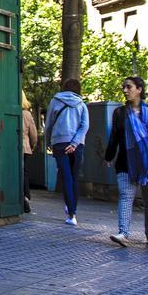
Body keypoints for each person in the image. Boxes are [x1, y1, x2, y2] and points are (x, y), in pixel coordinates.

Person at [104, 76, 148, 247]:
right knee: (126, 196)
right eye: (124, 87)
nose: (125, 90)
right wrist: (108, 156)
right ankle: (123, 233)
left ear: (139, 89)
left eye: (128, 87)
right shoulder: (120, 112)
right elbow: (115, 136)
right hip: (125, 161)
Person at [44, 78, 89, 226]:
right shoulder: (82, 104)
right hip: (77, 146)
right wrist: (75, 143)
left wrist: (48, 142)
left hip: (60, 143)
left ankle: (71, 213)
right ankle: (72, 210)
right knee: (74, 177)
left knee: (66, 177)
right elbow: (85, 126)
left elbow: (49, 124)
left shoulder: (55, 101)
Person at [22, 92, 38, 213]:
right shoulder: (27, 114)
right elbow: (33, 133)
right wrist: (32, 145)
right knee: (24, 173)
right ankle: (26, 196)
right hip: (25, 148)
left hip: (12, 147)